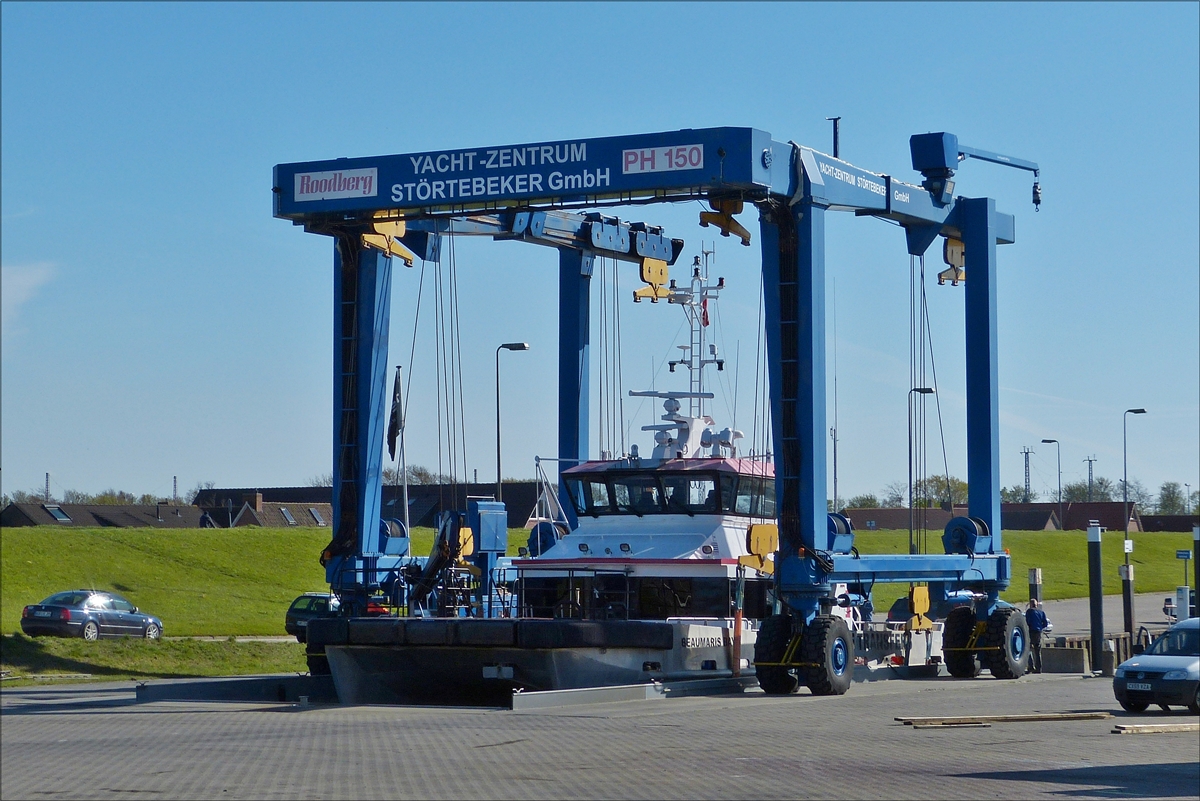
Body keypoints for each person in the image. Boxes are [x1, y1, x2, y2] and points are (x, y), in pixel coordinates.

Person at [1025, 598, 1050, 674]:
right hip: (1039, 632)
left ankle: (1031, 667)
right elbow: (1045, 623)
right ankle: (1039, 668)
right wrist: (1040, 628)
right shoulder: (1041, 612)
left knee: (1028, 649)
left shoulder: (1029, 612)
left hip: (1031, 631)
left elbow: (1027, 622)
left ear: (1031, 605)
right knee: (1037, 650)